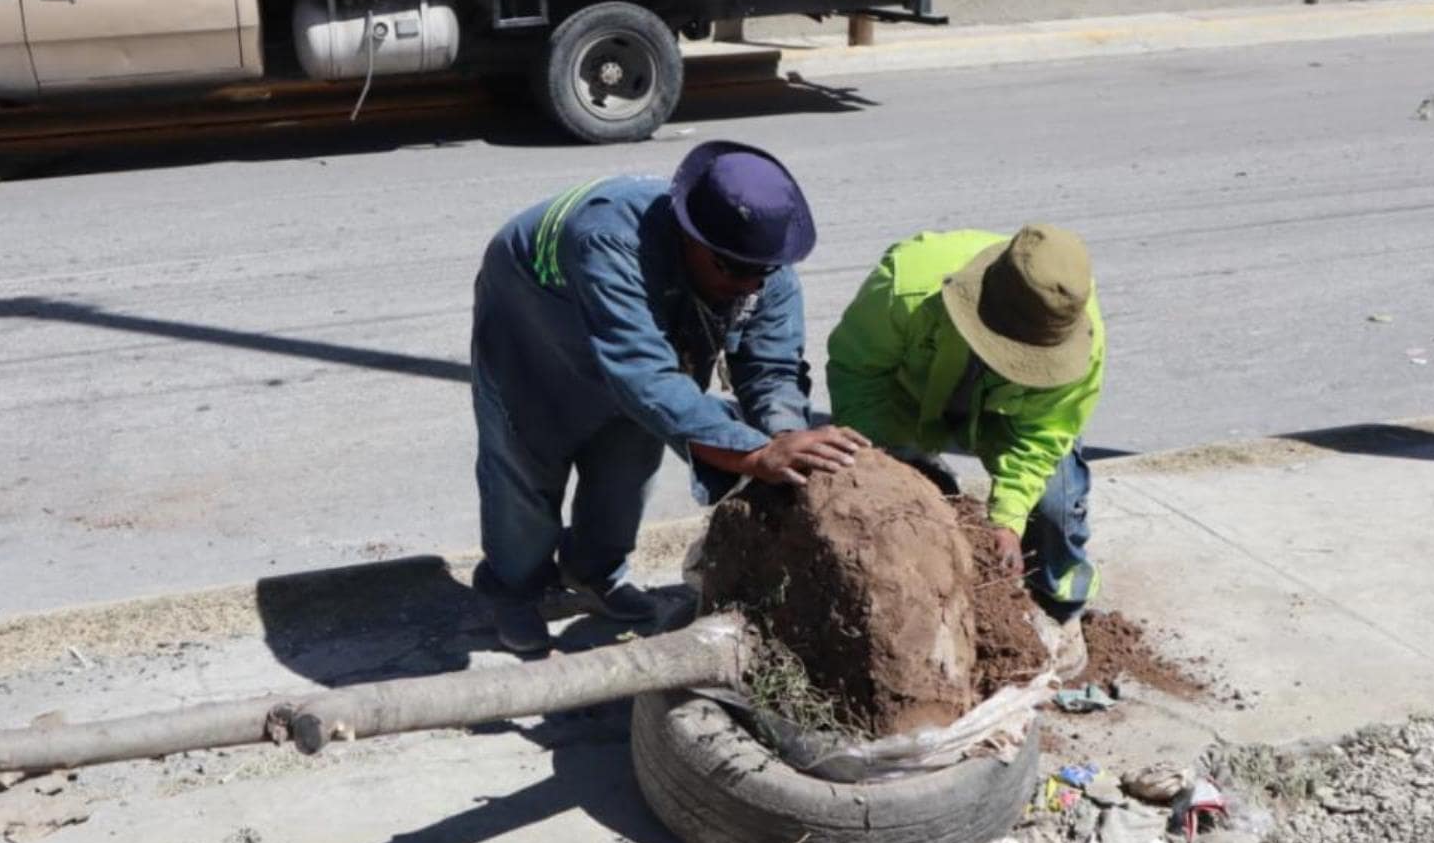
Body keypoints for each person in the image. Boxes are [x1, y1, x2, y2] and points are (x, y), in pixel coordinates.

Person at [470, 140, 870, 653]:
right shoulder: (608, 238)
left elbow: (770, 367)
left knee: (628, 463)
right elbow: (643, 375)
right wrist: (755, 453)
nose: (749, 286)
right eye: (732, 271)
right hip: (533, 326)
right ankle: (514, 589)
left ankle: (594, 571)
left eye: (760, 274)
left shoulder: (757, 261)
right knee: (526, 469)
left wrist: (788, 437)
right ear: (690, 239)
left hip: (638, 341)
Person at [826, 224, 1105, 624]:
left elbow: (1042, 434)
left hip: (1006, 418)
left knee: (1053, 508)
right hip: (908, 402)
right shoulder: (905, 284)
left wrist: (1008, 521)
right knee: (896, 503)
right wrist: (887, 467)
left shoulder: (1080, 339)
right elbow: (858, 374)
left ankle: (1061, 604)